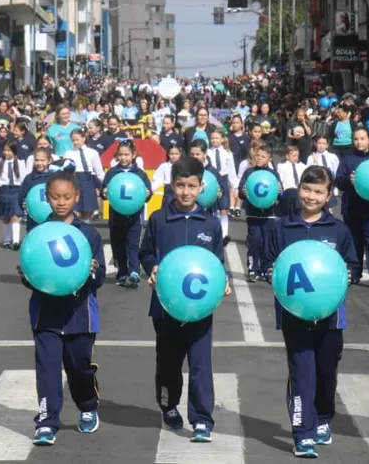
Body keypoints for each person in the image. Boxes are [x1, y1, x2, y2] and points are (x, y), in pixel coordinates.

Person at [261, 166, 357, 458]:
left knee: (326, 372)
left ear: (329, 196)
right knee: (301, 372)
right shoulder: (280, 227)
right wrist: (270, 271)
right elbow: (268, 263)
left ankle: (324, 417)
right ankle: (303, 433)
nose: (311, 196)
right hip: (295, 315)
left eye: (318, 191)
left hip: (331, 317)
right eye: (306, 189)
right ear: (298, 188)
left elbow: (352, 264)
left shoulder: (338, 230)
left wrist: (350, 274)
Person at [139, 156, 232, 443]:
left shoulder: (212, 223)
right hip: (166, 306)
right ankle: (168, 405)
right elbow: (145, 253)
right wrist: (152, 266)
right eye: (180, 185)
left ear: (201, 186)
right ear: (171, 186)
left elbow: (217, 261)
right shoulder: (158, 219)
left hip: (200, 307)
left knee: (201, 363)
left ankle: (202, 419)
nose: (186, 192)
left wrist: (224, 280)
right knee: (168, 361)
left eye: (192, 186)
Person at [17, 171, 105, 446]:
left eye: (67, 197)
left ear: (77, 196)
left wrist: (91, 271)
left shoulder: (88, 233)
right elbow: (30, 275)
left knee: (79, 367)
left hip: (80, 315)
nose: (61, 202)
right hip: (47, 315)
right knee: (48, 369)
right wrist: (27, 274)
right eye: (55, 197)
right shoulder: (38, 234)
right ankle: (47, 420)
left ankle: (88, 405)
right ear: (46, 197)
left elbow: (100, 277)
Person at [335, 128, 369, 286]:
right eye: (356, 139)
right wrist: (349, 180)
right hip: (352, 206)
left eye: (363, 138)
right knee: (354, 240)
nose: (359, 142)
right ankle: (354, 272)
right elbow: (338, 181)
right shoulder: (347, 160)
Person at [101, 140, 152, 288]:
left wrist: (147, 194)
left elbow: (148, 193)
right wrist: (104, 192)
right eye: (120, 155)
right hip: (116, 216)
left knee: (133, 244)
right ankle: (122, 273)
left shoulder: (140, 174)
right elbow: (104, 191)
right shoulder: (112, 172)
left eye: (126, 154)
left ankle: (134, 271)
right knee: (118, 246)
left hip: (135, 216)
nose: (123, 158)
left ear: (133, 155)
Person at [238, 146, 281, 282]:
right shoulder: (249, 173)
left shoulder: (273, 174)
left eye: (262, 156)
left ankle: (266, 269)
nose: (259, 158)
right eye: (257, 156)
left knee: (268, 243)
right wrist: (243, 192)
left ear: (269, 159)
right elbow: (241, 190)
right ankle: (253, 268)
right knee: (255, 241)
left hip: (269, 214)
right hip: (253, 213)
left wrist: (279, 193)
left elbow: (280, 192)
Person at [0, 141, 26, 249]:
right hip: (4, 190)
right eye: (4, 150)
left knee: (15, 216)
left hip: (16, 190)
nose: (6, 153)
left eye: (9, 150)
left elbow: (23, 179)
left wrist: (25, 193)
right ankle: (7, 240)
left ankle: (15, 241)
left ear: (14, 151)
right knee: (5, 217)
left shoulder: (20, 163)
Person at [20, 147, 54, 233]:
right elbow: (22, 195)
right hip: (34, 220)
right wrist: (23, 203)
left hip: (53, 219)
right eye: (36, 160)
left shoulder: (55, 178)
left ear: (49, 161)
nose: (39, 163)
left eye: (42, 160)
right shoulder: (29, 179)